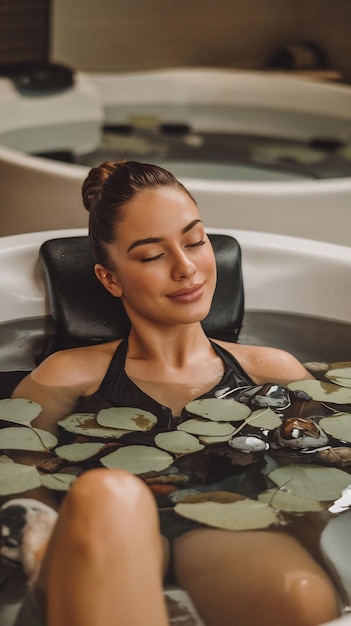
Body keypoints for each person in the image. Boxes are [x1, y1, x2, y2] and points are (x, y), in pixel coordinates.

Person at [10, 161, 339, 626]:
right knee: (111, 493)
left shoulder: (273, 370)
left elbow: (324, 468)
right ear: (110, 278)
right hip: (100, 530)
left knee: (300, 597)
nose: (187, 269)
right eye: (151, 256)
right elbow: (15, 470)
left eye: (195, 240)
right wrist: (40, 541)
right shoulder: (68, 373)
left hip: (224, 523)